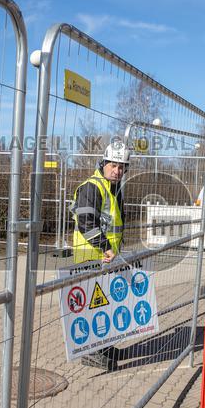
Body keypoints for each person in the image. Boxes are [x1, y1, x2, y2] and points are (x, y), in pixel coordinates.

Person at [72, 139, 128, 370]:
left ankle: (102, 346)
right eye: (113, 165)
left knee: (105, 306)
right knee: (94, 305)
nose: (117, 170)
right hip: (91, 255)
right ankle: (92, 351)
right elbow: (86, 222)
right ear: (104, 163)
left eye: (122, 166)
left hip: (107, 257)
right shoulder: (92, 187)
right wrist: (106, 246)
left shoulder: (113, 189)